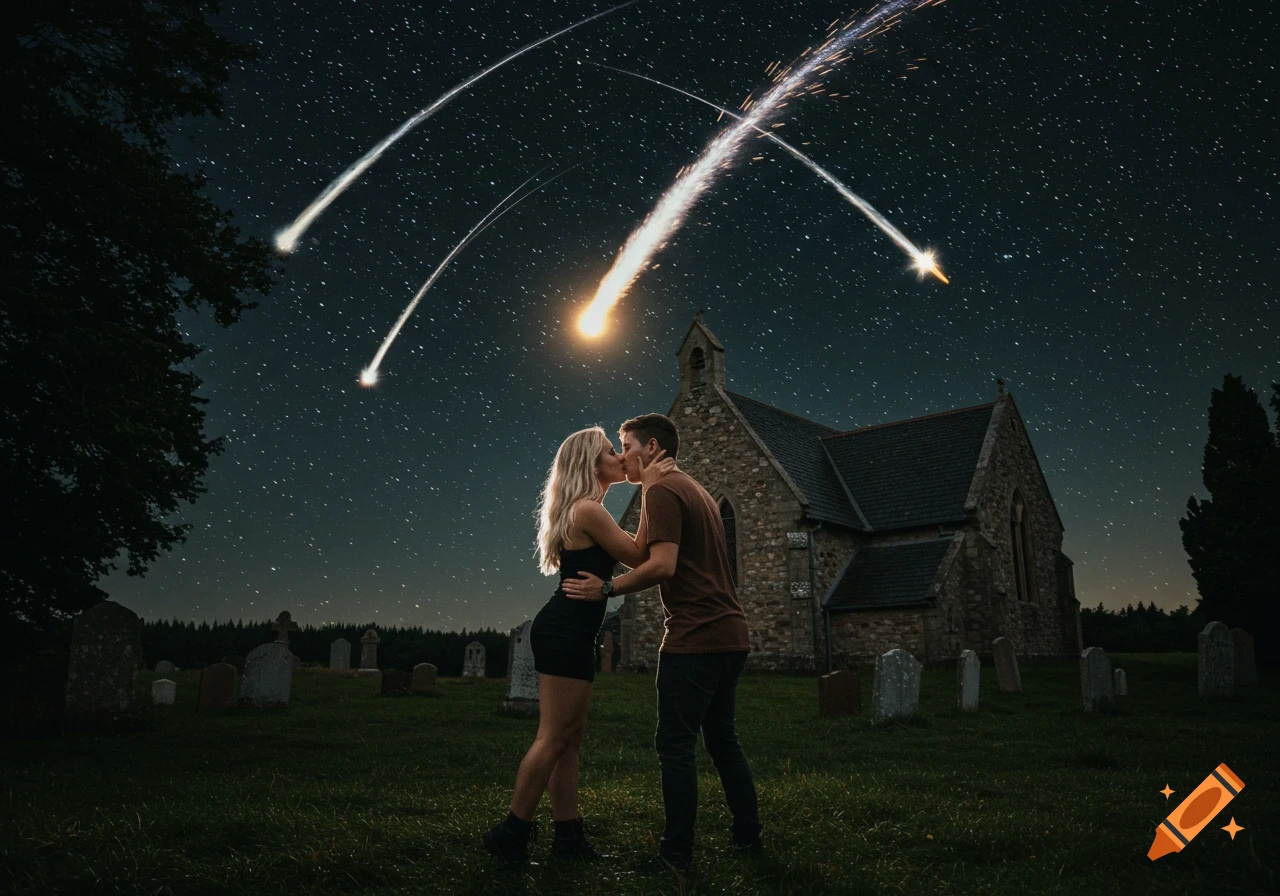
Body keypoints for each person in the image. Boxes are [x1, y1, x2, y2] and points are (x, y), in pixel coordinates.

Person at [562, 413, 761, 874]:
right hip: (731, 634)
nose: (622, 454)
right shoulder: (693, 489)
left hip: (695, 638)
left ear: (651, 448)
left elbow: (662, 565)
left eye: (626, 446)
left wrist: (606, 589)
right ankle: (748, 838)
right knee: (724, 742)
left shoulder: (663, 490)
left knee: (674, 746)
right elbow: (646, 548)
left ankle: (676, 856)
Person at [483, 425, 673, 863]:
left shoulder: (587, 509)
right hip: (565, 631)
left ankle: (568, 840)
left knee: (568, 740)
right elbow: (642, 556)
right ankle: (511, 834)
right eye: (612, 452)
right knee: (553, 738)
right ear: (592, 465)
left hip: (570, 632)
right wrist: (650, 487)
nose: (620, 457)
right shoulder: (588, 510)